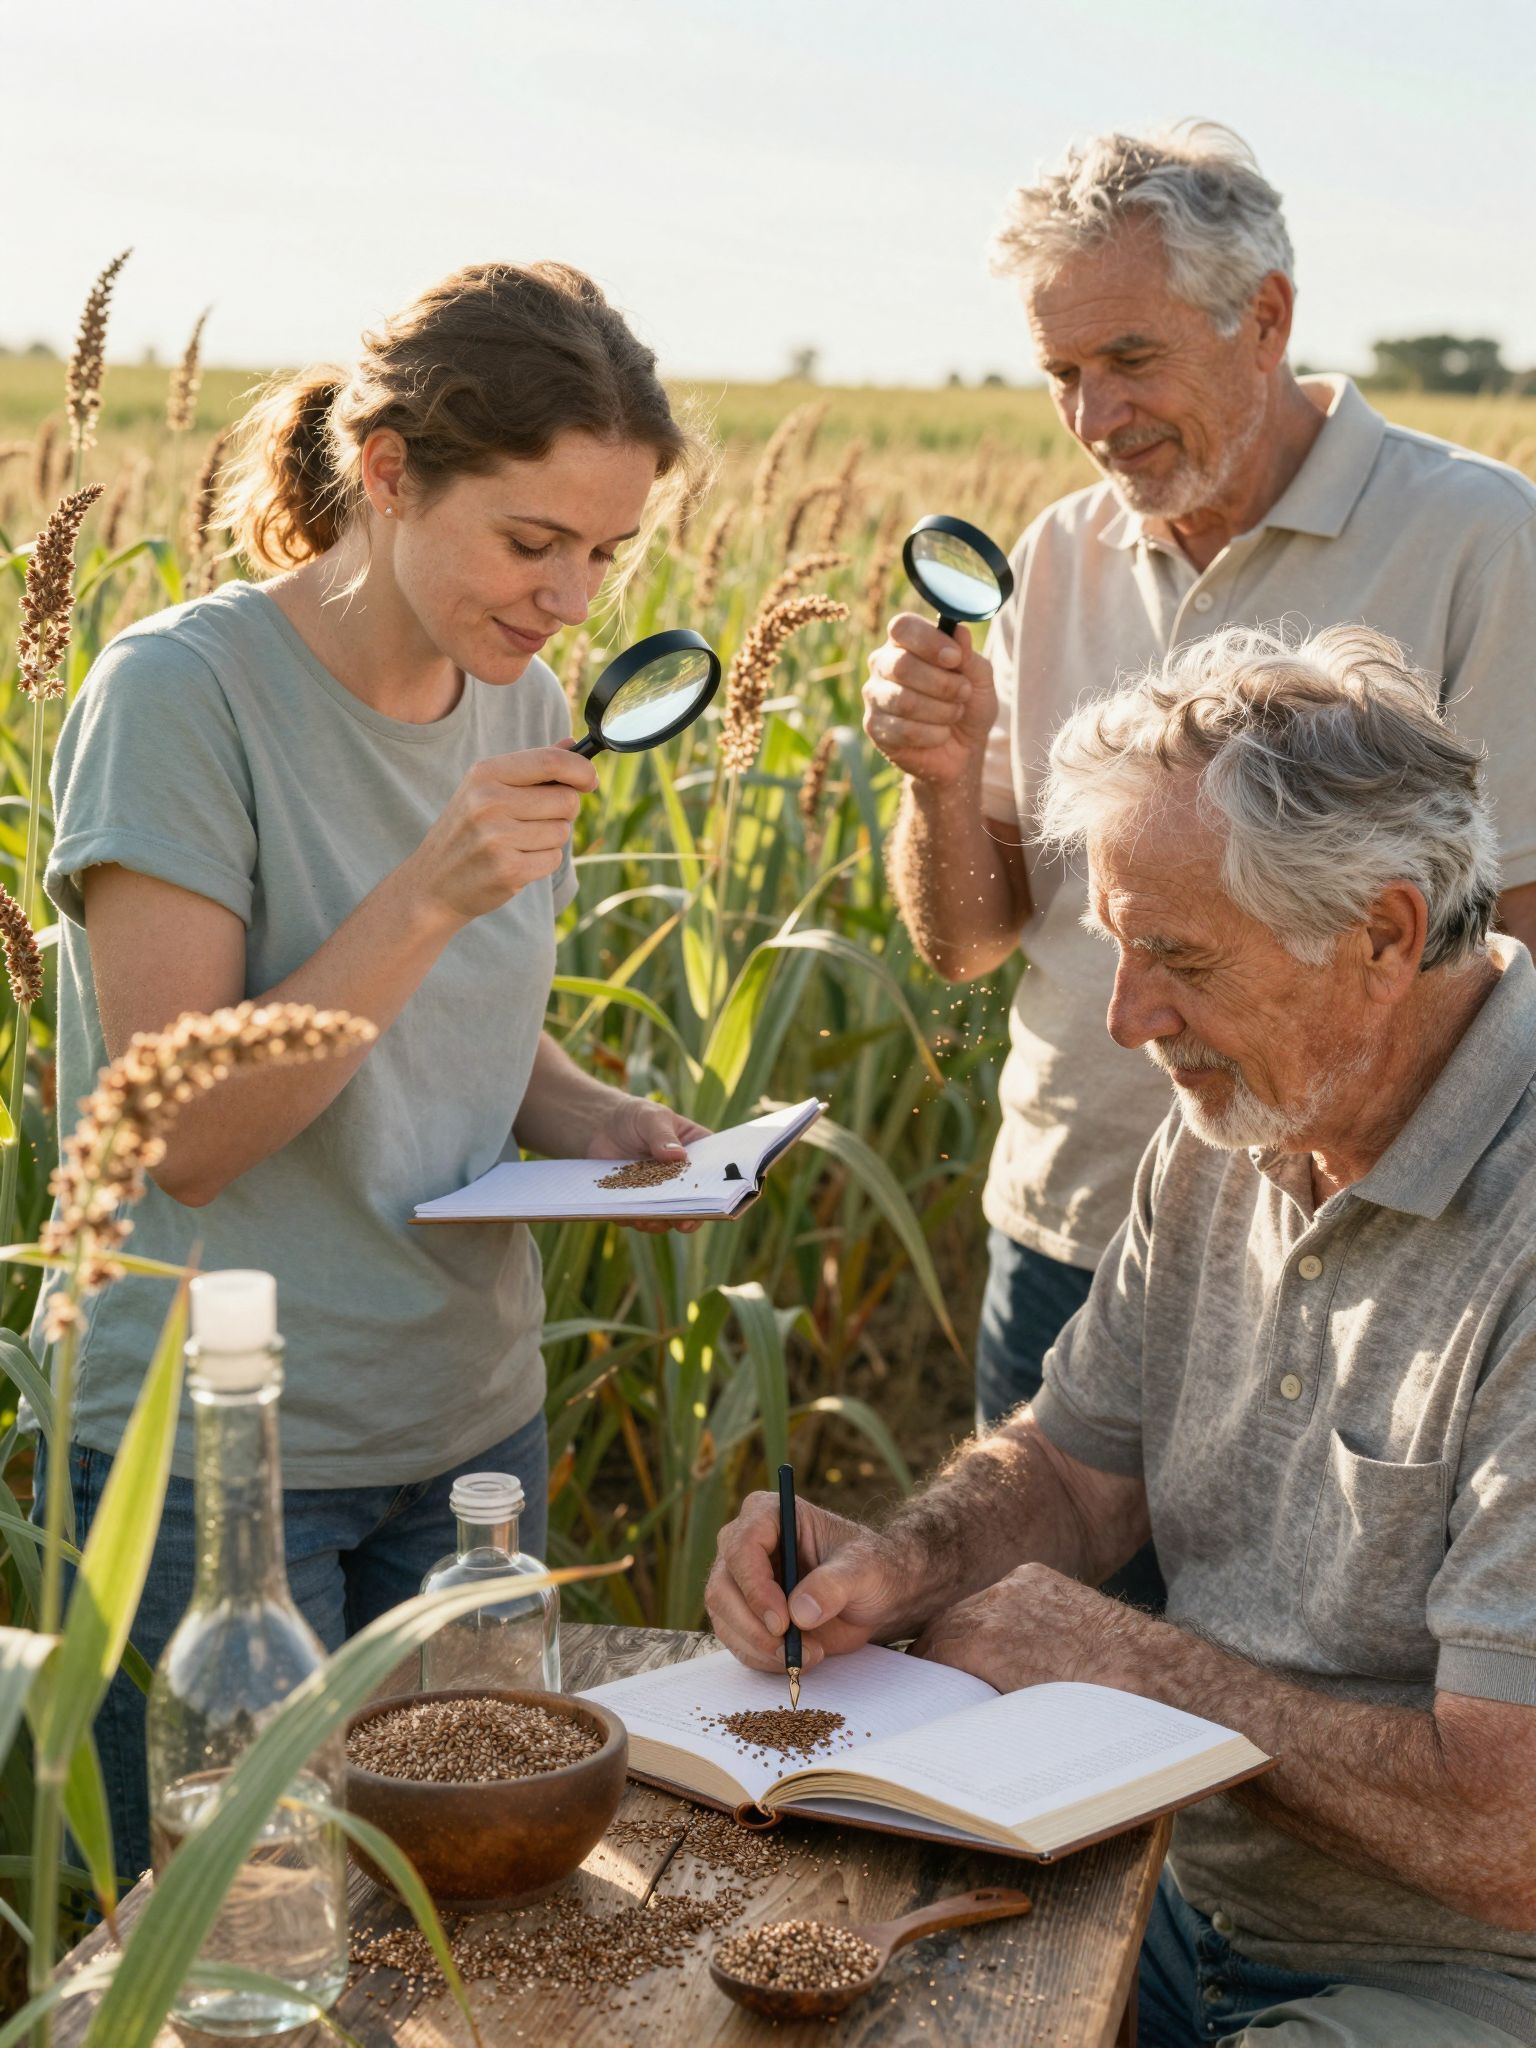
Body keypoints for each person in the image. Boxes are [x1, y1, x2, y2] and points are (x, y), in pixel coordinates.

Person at [711, 624, 1536, 2047]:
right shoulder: (1247, 1107)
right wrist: (904, 1563)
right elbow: (1083, 1466)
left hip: (1454, 1973)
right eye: (1116, 943)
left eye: (1180, 958)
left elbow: (1512, 1832)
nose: (1127, 1015)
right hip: (1168, 1885)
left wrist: (1143, 1670)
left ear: (1387, 934)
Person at [33, 261, 711, 1875]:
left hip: (473, 1438)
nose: (570, 598)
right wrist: (430, 889)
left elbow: (468, 1016)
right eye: (532, 541)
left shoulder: (522, 692)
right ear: (390, 471)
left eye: (607, 553)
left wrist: (603, 1119)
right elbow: (185, 1127)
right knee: (239, 1952)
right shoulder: (183, 695)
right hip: (222, 1466)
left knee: (467, 1940)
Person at [862, 123, 1536, 1475]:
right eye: (1062, 374)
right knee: (1028, 1646)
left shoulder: (1482, 539)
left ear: (1265, 317)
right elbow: (969, 943)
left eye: (1129, 361)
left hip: (1363, 1266)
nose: (1093, 418)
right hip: (1068, 1230)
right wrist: (940, 783)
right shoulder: (1055, 555)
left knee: (1283, 1678)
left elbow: (1513, 941)